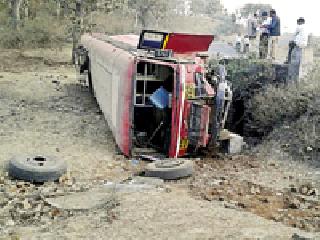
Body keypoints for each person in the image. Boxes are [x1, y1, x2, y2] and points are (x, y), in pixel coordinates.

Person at [287, 17, 308, 82]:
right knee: (297, 61)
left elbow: (294, 34)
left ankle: (291, 78)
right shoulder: (306, 28)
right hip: (302, 46)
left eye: (298, 22)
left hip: (297, 45)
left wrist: (292, 41)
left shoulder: (300, 27)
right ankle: (295, 78)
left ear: (300, 22)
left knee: (293, 61)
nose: (297, 23)